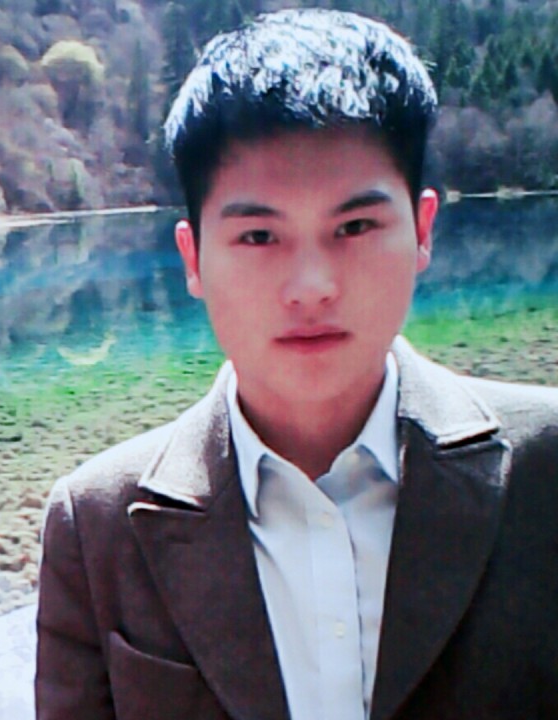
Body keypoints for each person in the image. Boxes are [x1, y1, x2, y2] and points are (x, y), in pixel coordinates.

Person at [35, 8, 558, 720]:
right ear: (193, 258)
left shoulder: (544, 467)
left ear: (421, 229)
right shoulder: (97, 523)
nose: (311, 286)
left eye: (355, 226)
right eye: (259, 236)